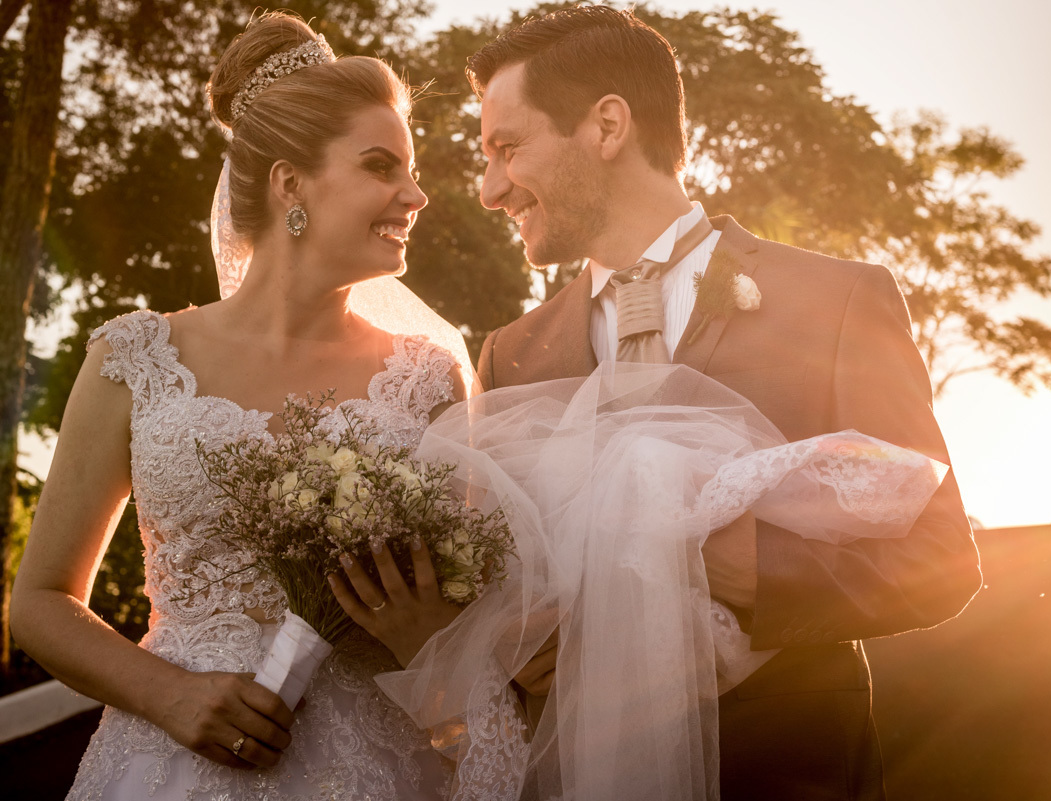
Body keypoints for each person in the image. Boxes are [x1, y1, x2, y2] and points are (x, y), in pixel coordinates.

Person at [462, 6, 982, 799]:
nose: (490, 187)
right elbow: (503, 586)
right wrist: (514, 643)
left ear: (606, 126)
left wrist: (751, 572)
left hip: (785, 771)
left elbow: (941, 557)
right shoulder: (510, 353)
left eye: (507, 149)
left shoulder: (837, 302)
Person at [11, 12, 470, 799]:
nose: (416, 193)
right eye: (379, 164)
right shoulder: (134, 359)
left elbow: (461, 620)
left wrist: (424, 635)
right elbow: (40, 602)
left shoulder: (427, 381)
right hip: (166, 768)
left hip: (376, 771)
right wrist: (170, 692)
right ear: (290, 181)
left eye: (412, 167)